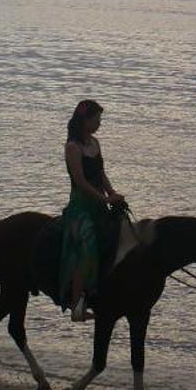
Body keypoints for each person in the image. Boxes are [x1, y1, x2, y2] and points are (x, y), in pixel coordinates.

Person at [61, 99, 126, 322]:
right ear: (85, 120)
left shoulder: (95, 143)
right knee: (88, 244)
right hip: (81, 206)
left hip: (99, 202)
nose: (99, 123)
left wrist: (112, 194)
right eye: (96, 119)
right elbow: (79, 181)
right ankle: (76, 303)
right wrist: (102, 199)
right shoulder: (73, 147)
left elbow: (101, 174)